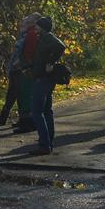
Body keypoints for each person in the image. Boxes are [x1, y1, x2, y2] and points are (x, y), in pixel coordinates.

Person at [27, 16, 66, 155]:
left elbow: (61, 46)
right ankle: (48, 140)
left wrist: (50, 63)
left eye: (37, 25)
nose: (35, 27)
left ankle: (44, 144)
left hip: (43, 79)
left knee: (37, 112)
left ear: (42, 27)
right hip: (45, 78)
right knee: (47, 110)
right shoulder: (42, 37)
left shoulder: (47, 37)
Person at [0, 13, 42, 126]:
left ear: (34, 22)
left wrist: (20, 63)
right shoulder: (24, 33)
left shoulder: (31, 34)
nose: (24, 21)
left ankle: (24, 120)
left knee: (20, 94)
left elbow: (28, 52)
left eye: (28, 20)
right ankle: (6, 117)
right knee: (13, 93)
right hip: (16, 67)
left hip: (20, 68)